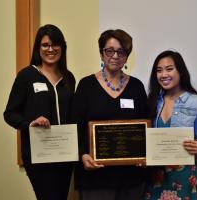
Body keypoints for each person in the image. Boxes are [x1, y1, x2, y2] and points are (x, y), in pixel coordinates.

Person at [71, 29, 148, 200]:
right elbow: (76, 126)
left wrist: (145, 154)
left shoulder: (137, 87)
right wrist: (83, 154)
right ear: (101, 54)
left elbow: (145, 126)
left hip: (131, 178)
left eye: (121, 51)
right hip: (95, 178)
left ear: (127, 57)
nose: (115, 56)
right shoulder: (86, 86)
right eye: (109, 50)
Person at [4, 24, 75, 200]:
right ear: (38, 48)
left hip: (66, 154)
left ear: (62, 47)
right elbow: (10, 113)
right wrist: (29, 123)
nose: (50, 49)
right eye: (45, 45)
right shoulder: (26, 76)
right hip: (39, 155)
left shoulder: (69, 78)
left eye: (55, 44)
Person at [144, 50, 197, 200]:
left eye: (169, 69)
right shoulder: (153, 101)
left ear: (180, 71)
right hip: (157, 176)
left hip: (186, 176)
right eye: (159, 70)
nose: (163, 75)